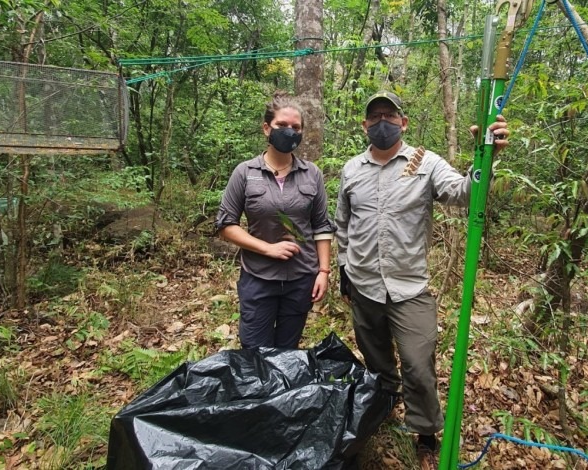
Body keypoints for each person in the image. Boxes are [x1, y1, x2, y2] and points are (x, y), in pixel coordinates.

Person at [335, 91, 509, 469]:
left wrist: (487, 157)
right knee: (377, 360)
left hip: (409, 286)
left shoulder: (425, 163)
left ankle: (426, 433)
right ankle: (384, 407)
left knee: (417, 364)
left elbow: (463, 193)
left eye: (390, 115)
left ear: (404, 122)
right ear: (365, 125)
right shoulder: (351, 169)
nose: (382, 122)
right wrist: (343, 269)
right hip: (363, 285)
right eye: (375, 117)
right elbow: (343, 224)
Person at [215, 91, 335, 350]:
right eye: (282, 126)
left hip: (301, 278)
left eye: (296, 127)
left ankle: (281, 391)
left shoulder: (311, 174)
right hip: (259, 277)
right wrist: (267, 248)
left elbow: (321, 226)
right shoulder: (245, 172)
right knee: (255, 350)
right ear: (267, 128)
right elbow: (226, 225)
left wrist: (323, 271)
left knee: (287, 351)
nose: (289, 132)